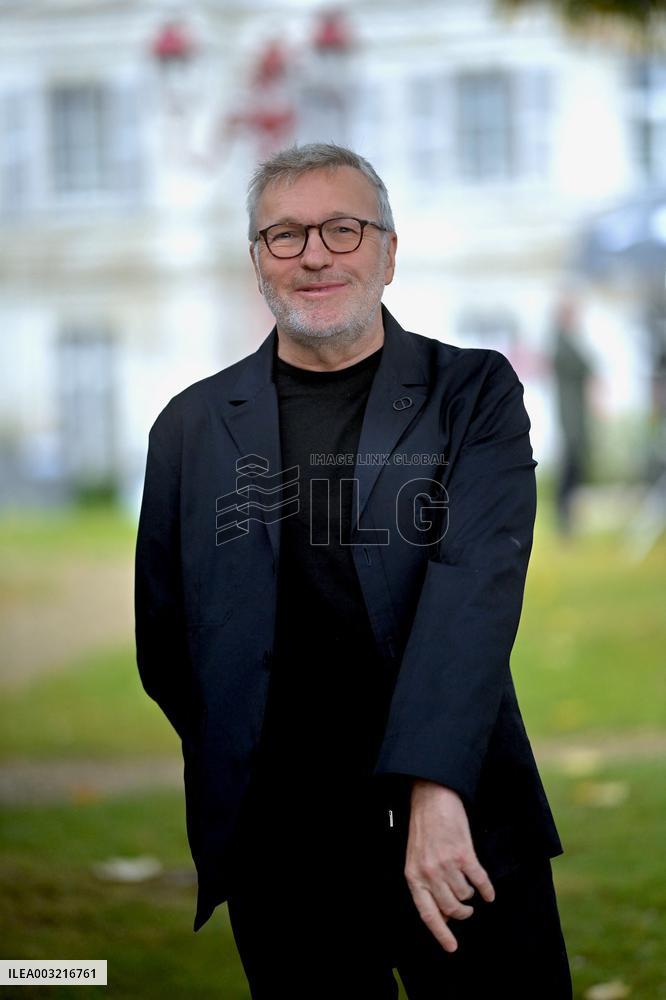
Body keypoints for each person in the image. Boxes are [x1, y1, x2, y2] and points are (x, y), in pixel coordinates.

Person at [135, 142, 572, 999]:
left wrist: (435, 786)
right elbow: (169, 643)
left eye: (342, 227)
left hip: (464, 824)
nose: (315, 255)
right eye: (285, 236)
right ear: (257, 260)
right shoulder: (188, 428)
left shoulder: (471, 394)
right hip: (284, 852)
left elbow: (472, 593)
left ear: (389, 250)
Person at [551, 296, 594, 535]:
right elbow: (584, 365)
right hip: (570, 416)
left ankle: (569, 514)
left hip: (576, 414)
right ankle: (564, 515)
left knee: (575, 465)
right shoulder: (561, 343)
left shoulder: (568, 341)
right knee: (569, 465)